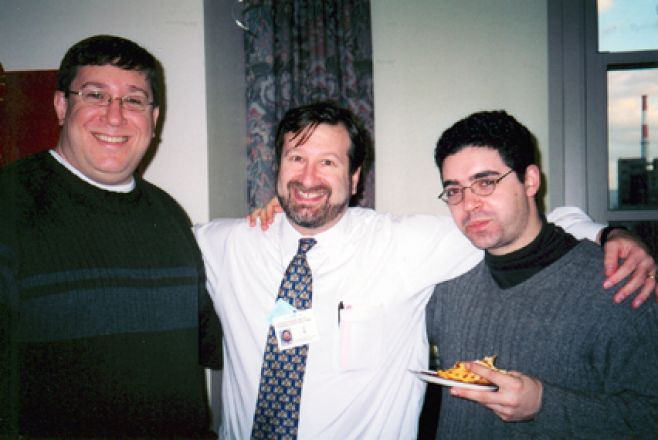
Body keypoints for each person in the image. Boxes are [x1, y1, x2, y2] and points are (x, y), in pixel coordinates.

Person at [194, 101, 656, 439]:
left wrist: (608, 233)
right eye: (297, 158)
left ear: (355, 179)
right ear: (276, 168)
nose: (309, 177)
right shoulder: (227, 244)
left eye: (328, 162)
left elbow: (516, 227)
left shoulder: (406, 243)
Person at [0, 35, 221, 438]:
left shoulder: (169, 214)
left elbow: (217, 341)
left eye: (134, 100)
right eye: (95, 95)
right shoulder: (9, 204)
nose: (114, 116)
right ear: (61, 106)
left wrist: (278, 236)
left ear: (154, 119)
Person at [426, 110, 658, 438]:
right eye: (454, 191)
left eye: (486, 183)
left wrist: (544, 405)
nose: (469, 204)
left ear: (530, 181)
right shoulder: (446, 284)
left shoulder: (616, 284)